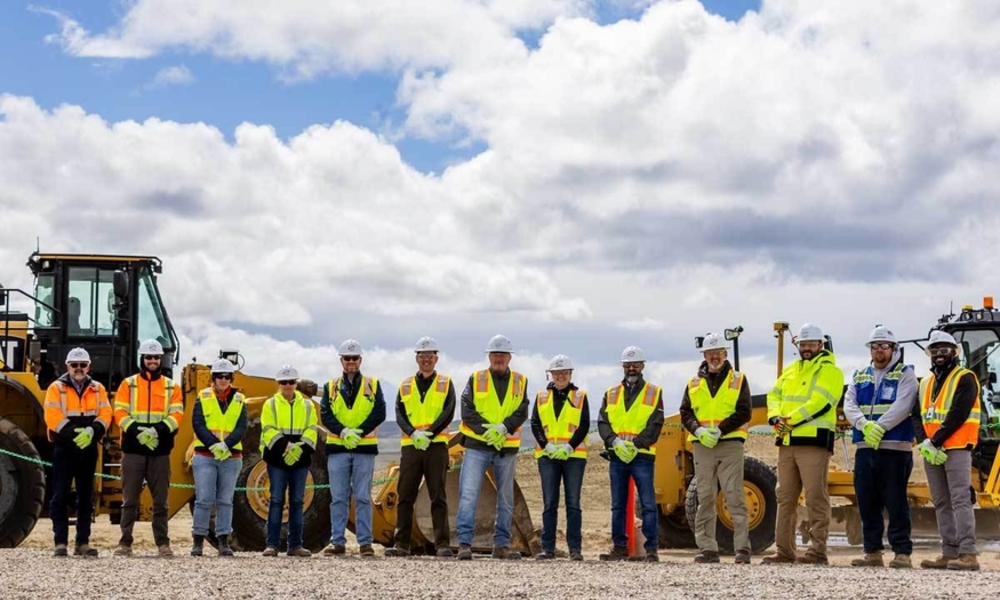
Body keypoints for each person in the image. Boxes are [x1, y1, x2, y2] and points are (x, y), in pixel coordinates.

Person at [762, 324, 843, 566]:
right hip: (787, 441)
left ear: (820, 345)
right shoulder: (790, 371)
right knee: (785, 497)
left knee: (815, 496)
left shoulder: (831, 371)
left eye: (810, 344)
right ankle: (784, 551)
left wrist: (788, 421)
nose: (806, 348)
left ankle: (818, 552)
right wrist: (774, 417)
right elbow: (773, 395)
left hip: (813, 442)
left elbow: (821, 402)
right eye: (802, 344)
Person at [843, 325, 917, 569]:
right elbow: (849, 404)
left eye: (884, 346)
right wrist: (865, 426)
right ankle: (872, 551)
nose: (879, 351)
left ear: (893, 349)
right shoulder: (860, 375)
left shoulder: (904, 374)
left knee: (896, 501)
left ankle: (902, 552)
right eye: (875, 346)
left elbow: (903, 405)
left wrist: (881, 427)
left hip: (895, 448)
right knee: (867, 501)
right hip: (865, 448)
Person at [455, 334, 530, 560]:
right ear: (489, 357)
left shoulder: (520, 381)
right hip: (478, 445)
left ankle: (501, 546)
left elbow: (523, 410)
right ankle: (465, 544)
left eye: (503, 355)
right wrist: (487, 431)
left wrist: (504, 428)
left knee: (505, 498)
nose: (499, 359)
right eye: (495, 355)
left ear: (509, 357)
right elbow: (467, 409)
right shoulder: (476, 379)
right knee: (468, 495)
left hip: (505, 448)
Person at [679, 333, 752, 564]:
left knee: (734, 495)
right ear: (704, 355)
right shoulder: (693, 383)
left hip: (730, 444)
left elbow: (744, 411)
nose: (714, 357)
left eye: (718, 352)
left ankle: (742, 549)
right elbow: (685, 412)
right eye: (710, 353)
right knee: (706, 496)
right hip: (703, 446)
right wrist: (698, 431)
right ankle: (708, 548)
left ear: (725, 354)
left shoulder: (738, 379)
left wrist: (721, 430)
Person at [911, 330, 981, 571]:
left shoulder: (966, 378)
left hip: (957, 447)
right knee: (941, 501)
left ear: (955, 352)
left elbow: (958, 414)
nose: (939, 354)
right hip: (932, 450)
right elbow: (916, 415)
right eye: (934, 350)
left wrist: (935, 441)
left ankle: (968, 553)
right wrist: (923, 442)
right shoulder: (925, 383)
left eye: (944, 350)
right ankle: (949, 552)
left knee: (960, 500)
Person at [384, 336, 457, 558]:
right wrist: (414, 433)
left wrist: (430, 433)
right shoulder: (405, 385)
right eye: (422, 356)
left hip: (435, 446)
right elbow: (399, 413)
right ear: (416, 358)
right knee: (405, 496)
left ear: (436, 358)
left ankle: (442, 544)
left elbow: (448, 412)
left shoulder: (445, 383)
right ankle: (401, 544)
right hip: (411, 446)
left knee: (438, 496)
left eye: (430, 356)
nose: (426, 360)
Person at [113, 339, 184, 557]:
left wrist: (156, 432)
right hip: (133, 451)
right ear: (141, 359)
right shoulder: (128, 384)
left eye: (155, 357)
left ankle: (163, 543)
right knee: (129, 500)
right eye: (148, 357)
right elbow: (120, 412)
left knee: (161, 502)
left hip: (160, 452)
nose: (152, 361)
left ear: (160, 359)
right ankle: (125, 543)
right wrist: (138, 432)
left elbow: (177, 415)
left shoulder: (171, 386)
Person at [320, 340, 386, 558]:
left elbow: (380, 412)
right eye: (347, 358)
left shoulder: (373, 385)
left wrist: (358, 432)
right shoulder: (330, 387)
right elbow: (325, 415)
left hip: (364, 449)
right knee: (338, 497)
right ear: (341, 360)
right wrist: (343, 432)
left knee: (363, 497)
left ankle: (365, 543)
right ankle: (337, 541)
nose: (351, 362)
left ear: (360, 360)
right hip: (338, 449)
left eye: (354, 358)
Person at [598, 345, 665, 562]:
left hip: (642, 455)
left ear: (643, 365)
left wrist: (636, 445)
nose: (632, 368)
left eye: (635, 364)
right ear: (623, 367)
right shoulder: (611, 393)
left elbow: (656, 423)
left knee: (647, 503)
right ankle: (619, 547)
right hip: (618, 455)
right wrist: (614, 442)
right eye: (628, 365)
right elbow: (603, 422)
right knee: (618, 504)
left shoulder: (654, 393)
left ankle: (651, 549)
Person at [44, 347, 112, 557]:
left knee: (85, 496)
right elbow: (52, 415)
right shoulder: (56, 388)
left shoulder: (98, 388)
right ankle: (60, 542)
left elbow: (106, 412)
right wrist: (75, 434)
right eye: (75, 365)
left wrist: (93, 431)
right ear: (68, 366)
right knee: (60, 495)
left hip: (89, 447)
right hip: (64, 448)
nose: (79, 369)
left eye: (83, 365)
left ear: (89, 366)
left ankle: (82, 542)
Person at [531, 355, 590, 561]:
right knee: (550, 503)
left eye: (564, 373)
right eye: (557, 373)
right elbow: (535, 424)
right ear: (551, 375)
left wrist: (569, 446)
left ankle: (575, 549)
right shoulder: (541, 397)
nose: (561, 377)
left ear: (570, 374)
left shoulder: (580, 397)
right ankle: (548, 548)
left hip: (573, 456)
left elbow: (584, 425)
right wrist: (545, 445)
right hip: (547, 457)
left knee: (573, 503)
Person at [190, 358, 248, 557]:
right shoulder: (203, 396)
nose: (223, 380)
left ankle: (224, 541)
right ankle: (198, 541)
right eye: (219, 376)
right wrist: (214, 445)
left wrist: (226, 445)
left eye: (226, 376)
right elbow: (197, 423)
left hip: (231, 457)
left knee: (225, 500)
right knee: (204, 499)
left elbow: (242, 427)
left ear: (231, 378)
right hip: (205, 455)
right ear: (213, 378)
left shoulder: (240, 399)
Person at [261, 365, 319, 557]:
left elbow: (312, 429)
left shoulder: (308, 406)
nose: (287, 385)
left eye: (291, 382)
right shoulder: (270, 404)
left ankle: (295, 545)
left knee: (297, 502)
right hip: (277, 459)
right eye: (284, 382)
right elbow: (268, 429)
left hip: (300, 460)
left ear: (296, 384)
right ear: (278, 384)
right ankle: (272, 545)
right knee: (276, 500)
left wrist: (299, 449)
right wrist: (287, 447)